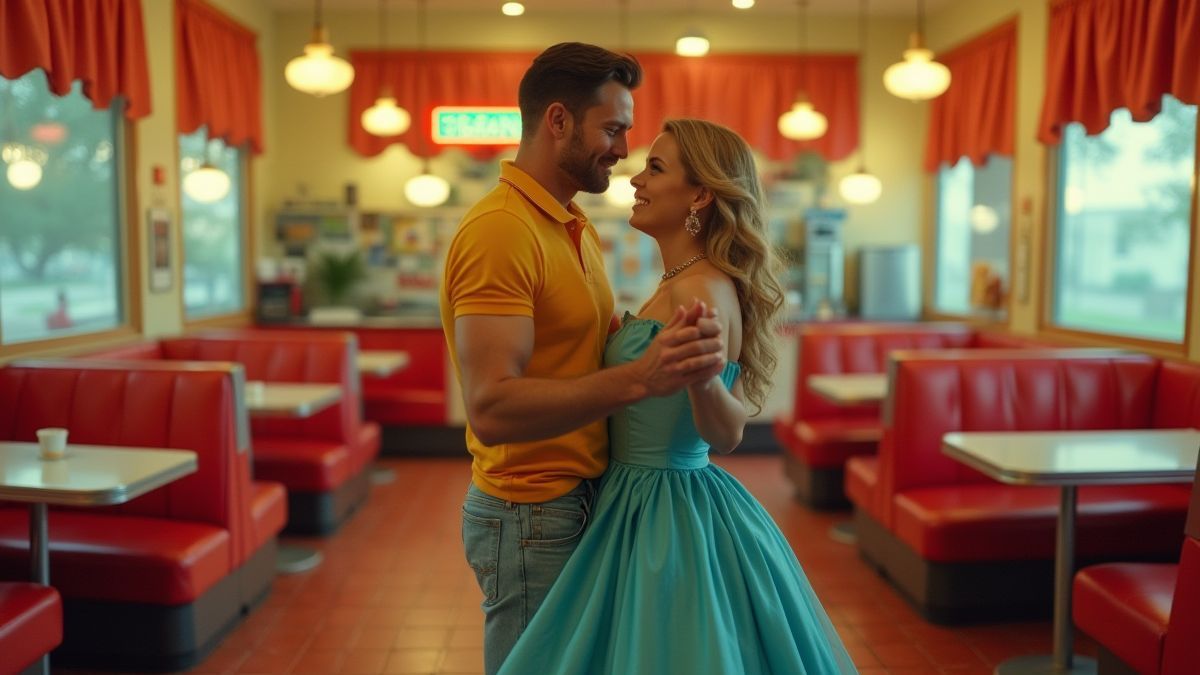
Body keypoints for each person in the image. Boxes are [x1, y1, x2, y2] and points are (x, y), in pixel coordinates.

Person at [496, 119, 859, 674]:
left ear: (700, 195)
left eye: (656, 168)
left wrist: (704, 381)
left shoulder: (699, 290)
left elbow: (726, 432)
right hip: (635, 497)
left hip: (662, 511)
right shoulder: (680, 282)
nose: (635, 179)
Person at [439, 45, 729, 675]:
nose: (622, 150)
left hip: (577, 501)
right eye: (613, 129)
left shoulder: (573, 225)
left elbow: (562, 354)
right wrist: (637, 376)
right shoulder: (501, 231)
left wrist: (623, 340)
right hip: (529, 511)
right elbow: (491, 406)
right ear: (559, 121)